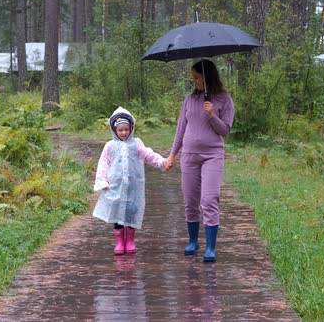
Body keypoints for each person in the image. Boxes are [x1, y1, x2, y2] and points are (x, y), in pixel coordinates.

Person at [164, 59, 234, 262]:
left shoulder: (224, 100)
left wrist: (212, 114)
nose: (194, 81)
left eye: (196, 77)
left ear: (207, 76)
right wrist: (172, 154)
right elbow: (180, 129)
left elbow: (226, 130)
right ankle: (193, 241)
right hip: (189, 157)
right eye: (193, 78)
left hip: (213, 155)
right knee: (191, 201)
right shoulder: (189, 100)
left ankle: (210, 247)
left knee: (209, 199)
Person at [93, 107, 167, 255]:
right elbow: (103, 163)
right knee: (117, 213)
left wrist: (161, 162)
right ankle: (120, 242)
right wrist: (102, 180)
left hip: (134, 186)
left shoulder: (136, 144)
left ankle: (130, 240)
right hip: (115, 186)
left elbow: (148, 155)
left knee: (132, 211)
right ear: (114, 130)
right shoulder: (110, 146)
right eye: (120, 130)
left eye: (126, 129)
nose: (124, 133)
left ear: (131, 128)